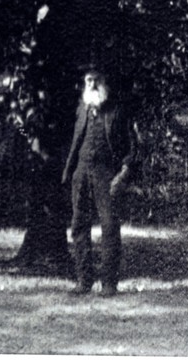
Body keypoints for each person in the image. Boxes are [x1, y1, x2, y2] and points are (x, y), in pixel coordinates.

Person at [61, 68, 136, 297]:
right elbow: (73, 143)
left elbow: (130, 146)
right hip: (81, 173)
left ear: (105, 83)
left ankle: (109, 284)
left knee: (110, 226)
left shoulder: (116, 112)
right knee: (78, 225)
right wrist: (71, 172)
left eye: (97, 80)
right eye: (89, 80)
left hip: (106, 174)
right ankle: (84, 281)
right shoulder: (81, 111)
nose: (92, 84)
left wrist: (124, 171)